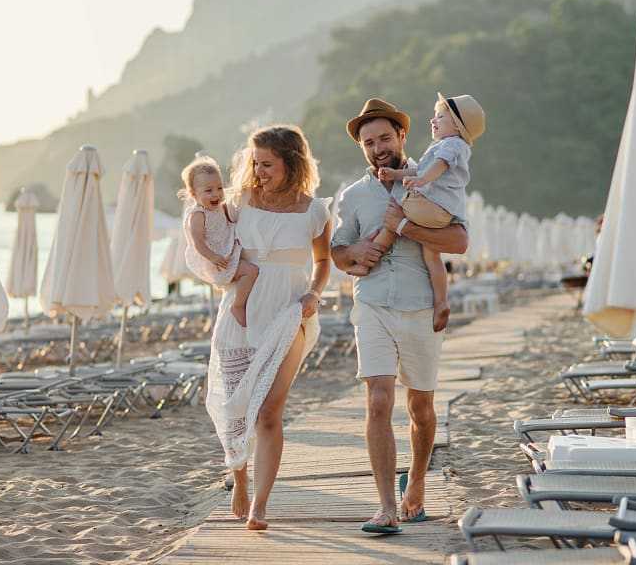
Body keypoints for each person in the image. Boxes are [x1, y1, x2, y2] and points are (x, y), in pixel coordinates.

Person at [330, 97, 469, 534]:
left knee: (422, 408)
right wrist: (353, 252)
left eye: (384, 138)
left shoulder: (434, 179)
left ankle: (419, 483)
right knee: (377, 401)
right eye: (368, 142)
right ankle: (387, 506)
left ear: (402, 136)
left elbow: (459, 240)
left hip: (421, 307)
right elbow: (337, 250)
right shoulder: (353, 196)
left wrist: (405, 228)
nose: (377, 148)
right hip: (371, 303)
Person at [203, 125, 332, 531]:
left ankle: (260, 504)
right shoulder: (239, 201)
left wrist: (313, 293)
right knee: (236, 406)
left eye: (268, 164)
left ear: (292, 163)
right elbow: (206, 231)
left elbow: (324, 262)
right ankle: (239, 477)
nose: (259, 171)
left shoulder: (315, 211)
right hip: (240, 311)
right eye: (255, 163)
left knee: (270, 410)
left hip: (289, 312)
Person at [352, 93, 484, 332]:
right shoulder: (446, 145)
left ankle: (371, 256)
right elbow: (420, 172)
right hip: (439, 211)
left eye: (441, 117)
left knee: (396, 208)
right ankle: (442, 301)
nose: (433, 121)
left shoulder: (451, 145)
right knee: (431, 256)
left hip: (432, 206)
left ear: (457, 126)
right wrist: (397, 175)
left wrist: (420, 182)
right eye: (369, 142)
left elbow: (436, 167)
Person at [180, 156, 260, 326]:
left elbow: (231, 219)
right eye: (208, 191)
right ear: (193, 194)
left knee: (253, 270)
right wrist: (213, 257)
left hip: (228, 252)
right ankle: (238, 306)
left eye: (219, 188)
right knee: (251, 271)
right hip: (218, 261)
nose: (216, 194)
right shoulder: (198, 215)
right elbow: (197, 243)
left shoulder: (220, 207)